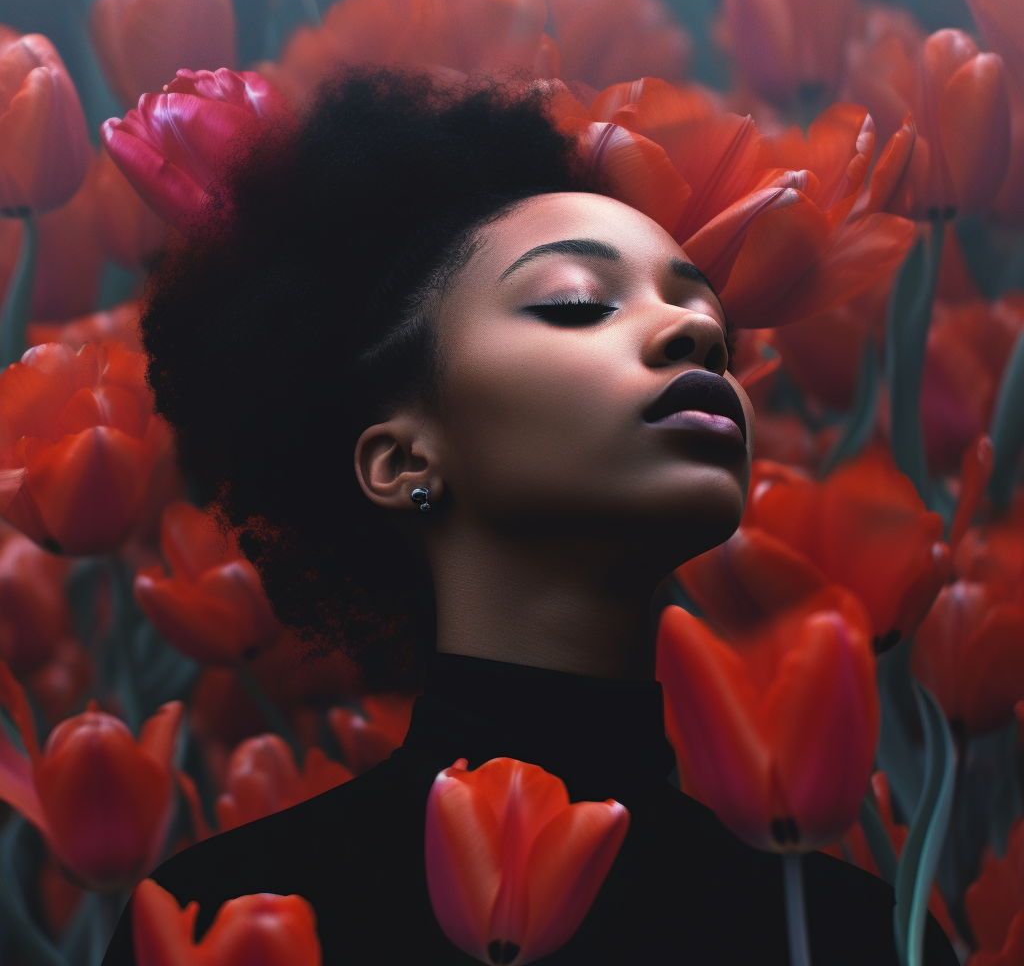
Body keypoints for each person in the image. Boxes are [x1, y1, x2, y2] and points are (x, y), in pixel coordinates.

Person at [102, 68, 957, 965]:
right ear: (402, 462)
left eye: (709, 320)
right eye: (577, 304)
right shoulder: (226, 928)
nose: (694, 334)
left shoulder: (852, 937)